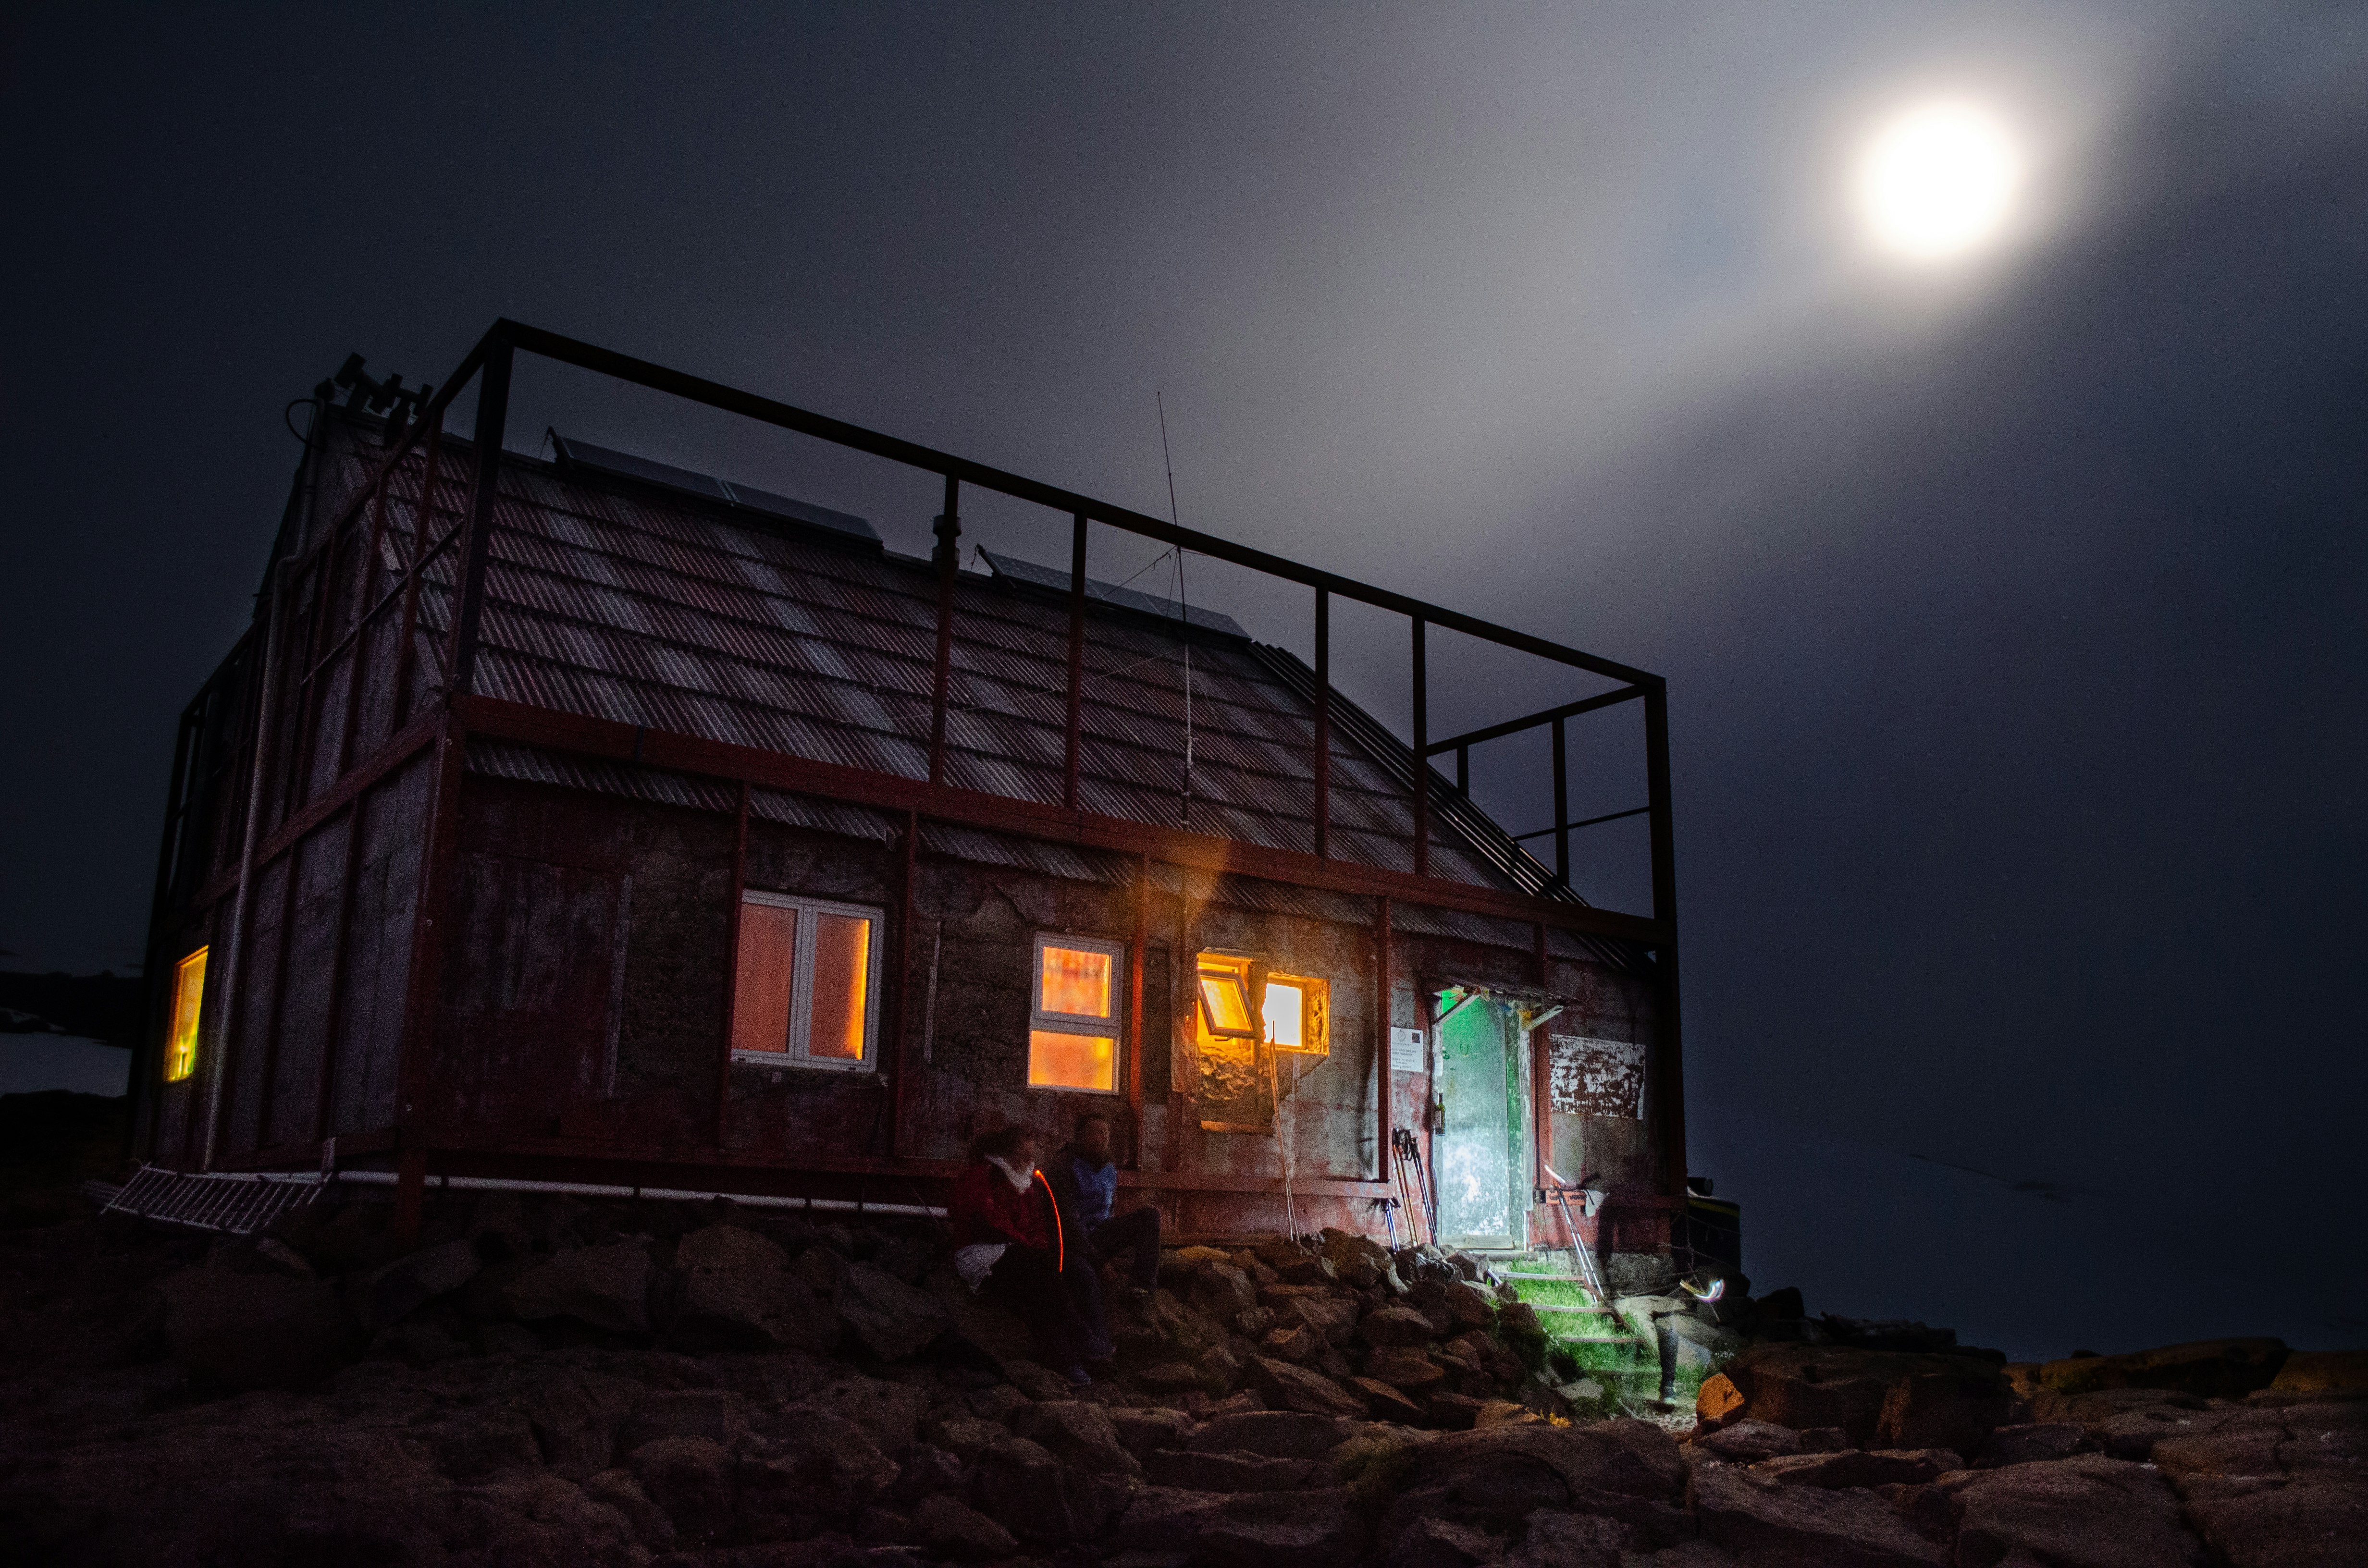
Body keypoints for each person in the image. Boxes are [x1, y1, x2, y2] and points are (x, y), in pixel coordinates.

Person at [946, 1125, 1110, 1383]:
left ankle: (1068, 1364)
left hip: (1018, 1256)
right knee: (1042, 1283)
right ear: (1006, 1155)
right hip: (980, 1255)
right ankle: (1081, 1338)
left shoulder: (1028, 1184)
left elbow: (1037, 1228)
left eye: (1032, 1157)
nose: (1030, 1163)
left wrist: (1040, 1251)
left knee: (1040, 1299)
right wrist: (1033, 1250)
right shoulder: (982, 1176)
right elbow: (989, 1225)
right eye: (1024, 1157)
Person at [1045, 1111, 1161, 1300]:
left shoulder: (1108, 1168)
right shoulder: (1064, 1167)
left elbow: (1109, 1211)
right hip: (1073, 1242)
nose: (1099, 1139)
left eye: (1103, 1134)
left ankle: (1141, 1289)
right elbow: (1065, 1224)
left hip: (1100, 1233)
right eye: (1093, 1134)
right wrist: (1099, 1262)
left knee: (1149, 1216)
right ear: (1080, 1137)